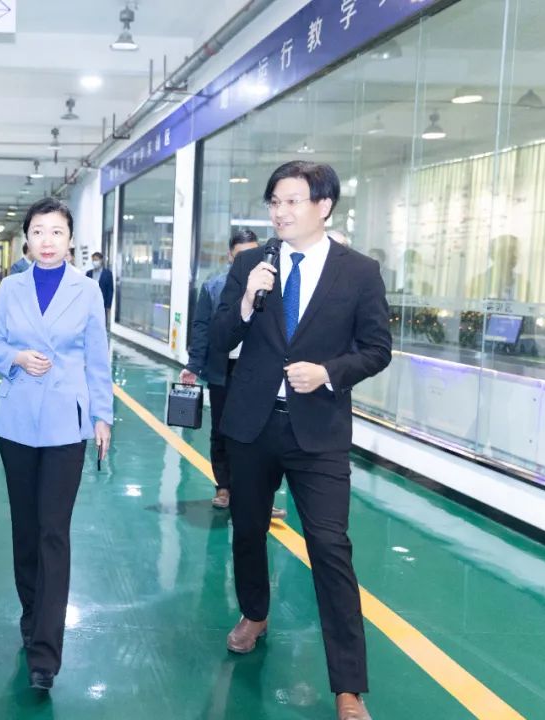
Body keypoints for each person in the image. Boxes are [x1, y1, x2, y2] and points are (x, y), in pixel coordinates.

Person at [210, 161, 391, 720]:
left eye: (292, 201)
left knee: (331, 548)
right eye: (274, 202)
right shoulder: (251, 265)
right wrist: (246, 302)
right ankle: (255, 612)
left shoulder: (359, 272)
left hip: (319, 429)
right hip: (252, 424)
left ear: (323, 206)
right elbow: (219, 335)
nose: (280, 213)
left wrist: (329, 372)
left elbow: (377, 349)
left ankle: (349, 687)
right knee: (248, 529)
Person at [0, 198, 113, 693]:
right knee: (26, 528)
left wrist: (102, 416)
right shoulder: (11, 287)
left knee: (54, 531)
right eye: (38, 231)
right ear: (27, 239)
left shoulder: (87, 290)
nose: (47, 240)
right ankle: (31, 614)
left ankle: (45, 653)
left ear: (70, 239)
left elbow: (98, 357)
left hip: (65, 426)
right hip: (16, 422)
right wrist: (15, 356)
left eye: (57, 231)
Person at [179, 230, 286, 519]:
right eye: (241, 255)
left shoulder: (274, 285)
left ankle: (259, 496)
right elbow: (202, 328)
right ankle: (224, 487)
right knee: (222, 431)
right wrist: (194, 365)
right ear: (230, 256)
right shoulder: (214, 286)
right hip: (223, 370)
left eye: (253, 252)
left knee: (259, 433)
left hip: (259, 370)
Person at [85, 251, 114, 327]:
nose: (94, 262)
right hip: (90, 303)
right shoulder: (88, 273)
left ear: (101, 260)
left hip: (102, 303)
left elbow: (110, 290)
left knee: (101, 323)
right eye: (93, 260)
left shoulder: (108, 273)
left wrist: (108, 306)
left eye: (96, 260)